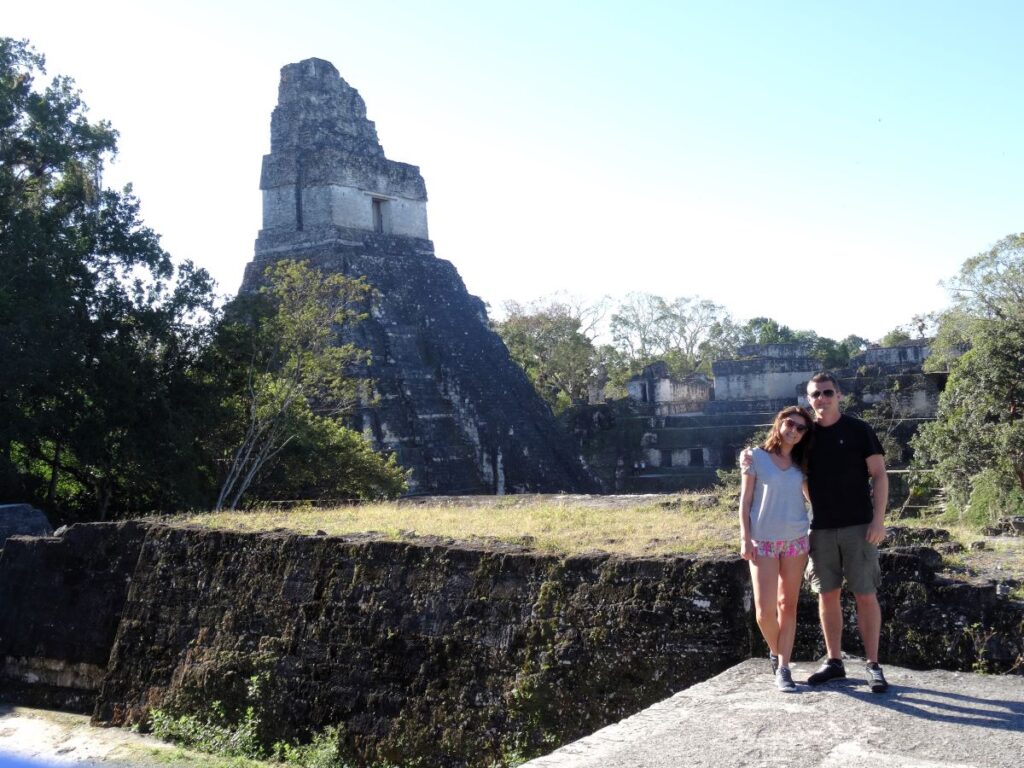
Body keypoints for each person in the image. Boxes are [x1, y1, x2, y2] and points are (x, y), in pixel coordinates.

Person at [801, 372, 889, 694]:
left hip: (858, 526)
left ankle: (872, 664)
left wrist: (878, 520)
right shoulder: (805, 435)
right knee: (827, 594)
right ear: (809, 399)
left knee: (865, 593)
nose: (821, 398)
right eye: (815, 394)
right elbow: (787, 463)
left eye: (827, 392)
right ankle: (834, 660)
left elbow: (879, 475)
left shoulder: (858, 430)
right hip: (821, 529)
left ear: (839, 395)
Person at [739, 406, 813, 693]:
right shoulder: (755, 457)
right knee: (764, 612)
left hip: (795, 539)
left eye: (801, 428)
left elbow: (812, 496)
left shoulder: (802, 463)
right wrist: (745, 538)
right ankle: (774, 650)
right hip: (763, 540)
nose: (793, 430)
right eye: (790, 423)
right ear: (779, 424)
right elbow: (745, 502)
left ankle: (783, 667)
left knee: (787, 606)